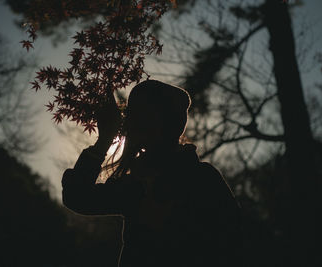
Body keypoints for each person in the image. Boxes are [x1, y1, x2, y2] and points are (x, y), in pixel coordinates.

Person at [61, 80, 243, 267]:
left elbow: (231, 243)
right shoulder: (137, 183)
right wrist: (104, 141)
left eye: (141, 115)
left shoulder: (201, 179)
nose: (131, 123)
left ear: (165, 122)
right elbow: (78, 197)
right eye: (132, 115)